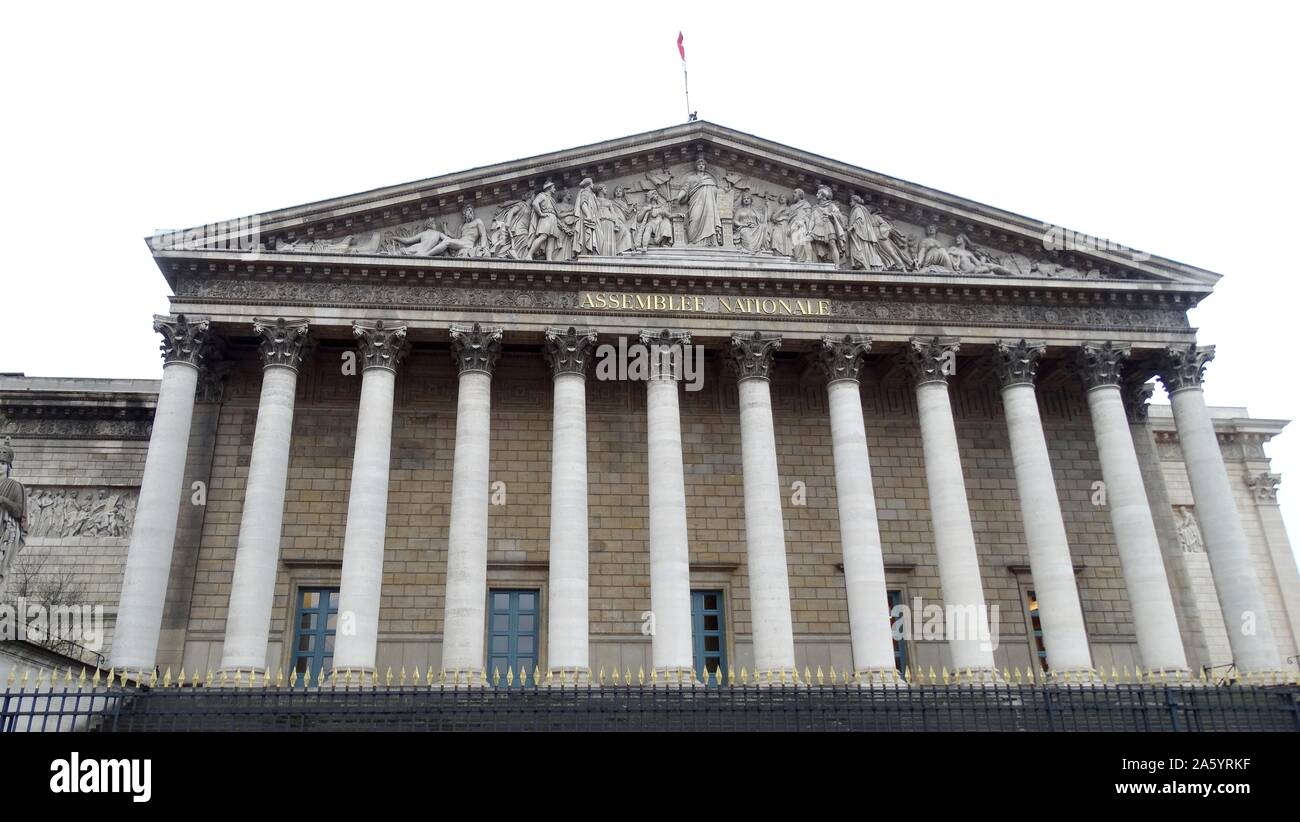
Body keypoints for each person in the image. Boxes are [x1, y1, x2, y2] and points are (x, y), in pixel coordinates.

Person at [674, 156, 722, 246]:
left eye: (703, 164)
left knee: (710, 220)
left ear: (705, 166)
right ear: (696, 166)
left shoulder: (709, 180)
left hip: (709, 205)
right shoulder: (691, 178)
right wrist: (678, 197)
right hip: (695, 203)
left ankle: (709, 242)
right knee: (694, 219)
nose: (701, 166)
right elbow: (685, 189)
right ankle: (693, 241)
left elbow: (717, 194)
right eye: (699, 164)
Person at [0, 437, 28, 590]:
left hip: (5, 532)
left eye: (3, 463)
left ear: (8, 466)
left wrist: (3, 500)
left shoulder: (14, 486)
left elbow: (18, 511)